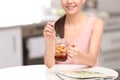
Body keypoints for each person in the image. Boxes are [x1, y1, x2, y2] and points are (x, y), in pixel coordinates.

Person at [43, 0, 104, 68]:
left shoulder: (95, 23)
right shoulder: (55, 26)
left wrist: (79, 55)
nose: (69, 1)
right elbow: (49, 65)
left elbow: (92, 61)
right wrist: (49, 41)